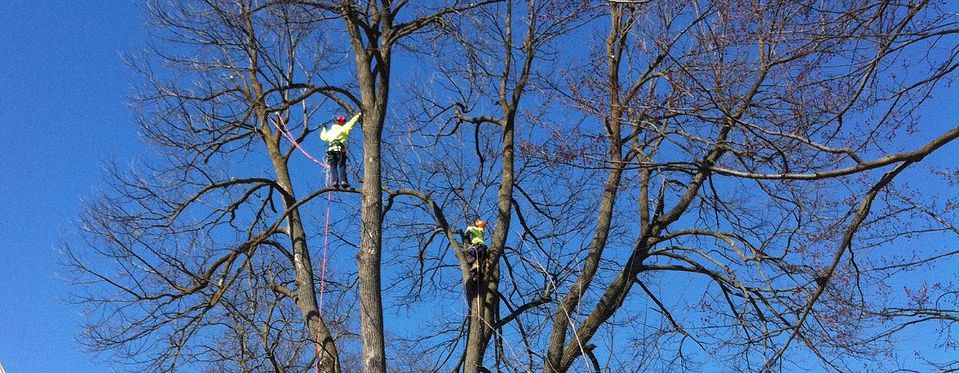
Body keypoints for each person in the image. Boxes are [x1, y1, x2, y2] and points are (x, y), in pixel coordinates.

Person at [320, 113, 361, 188]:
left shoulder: (330, 132)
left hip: (331, 151)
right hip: (339, 150)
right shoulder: (344, 128)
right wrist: (359, 115)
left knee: (333, 166)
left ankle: (334, 181)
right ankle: (343, 181)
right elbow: (352, 122)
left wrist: (324, 129)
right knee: (341, 165)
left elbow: (323, 137)